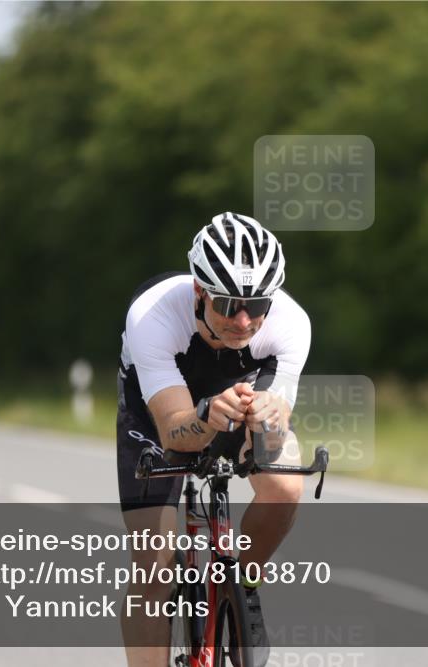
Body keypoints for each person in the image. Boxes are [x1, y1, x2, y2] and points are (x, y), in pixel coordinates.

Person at [116, 212, 311, 667]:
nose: (244, 321)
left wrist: (268, 419)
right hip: (159, 409)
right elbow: (173, 433)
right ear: (199, 291)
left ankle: (245, 585)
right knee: (154, 565)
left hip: (238, 391)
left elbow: (278, 418)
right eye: (227, 305)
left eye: (257, 305)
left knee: (284, 485)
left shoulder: (290, 322)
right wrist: (206, 419)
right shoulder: (154, 314)